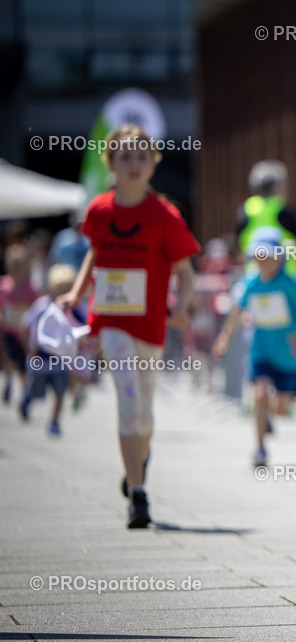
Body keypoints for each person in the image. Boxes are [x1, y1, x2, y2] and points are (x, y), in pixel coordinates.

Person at [59, 124, 199, 530]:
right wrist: (75, 293)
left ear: (153, 163)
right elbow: (95, 256)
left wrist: (183, 305)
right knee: (128, 403)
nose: (133, 164)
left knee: (145, 412)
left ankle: (137, 461)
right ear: (111, 163)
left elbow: (185, 272)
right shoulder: (99, 210)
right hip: (111, 322)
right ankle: (138, 496)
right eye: (124, 156)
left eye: (142, 156)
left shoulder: (165, 215)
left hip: (150, 324)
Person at [213, 227, 296, 467]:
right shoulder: (250, 283)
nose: (263, 262)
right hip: (261, 351)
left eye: (268, 257)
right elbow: (236, 310)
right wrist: (225, 338)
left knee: (281, 408)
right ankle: (259, 449)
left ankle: (269, 418)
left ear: (280, 257)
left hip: (289, 354)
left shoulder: (290, 284)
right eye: (258, 257)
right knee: (259, 396)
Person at [20, 264, 79, 436]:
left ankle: (54, 421)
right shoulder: (42, 305)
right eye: (60, 288)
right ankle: (27, 399)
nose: (63, 292)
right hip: (41, 355)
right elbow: (25, 324)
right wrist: (29, 348)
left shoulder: (70, 308)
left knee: (60, 391)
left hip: (59, 359)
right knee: (37, 388)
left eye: (67, 288)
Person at [236, 160, 296, 276]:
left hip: (255, 276)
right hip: (286, 277)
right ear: (279, 187)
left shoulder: (245, 211)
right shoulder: (285, 210)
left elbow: (239, 247)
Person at [1, 243, 39, 417]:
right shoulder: (4, 285)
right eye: (12, 263)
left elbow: (36, 308)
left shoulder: (30, 288)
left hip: (23, 334)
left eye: (19, 264)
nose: (15, 268)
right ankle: (8, 381)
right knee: (9, 359)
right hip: (7, 331)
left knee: (24, 367)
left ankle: (24, 396)